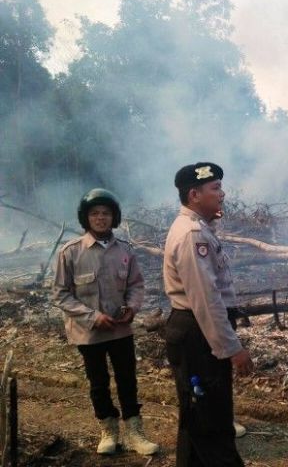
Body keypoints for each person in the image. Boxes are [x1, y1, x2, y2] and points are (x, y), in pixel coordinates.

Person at [52, 188, 159, 456]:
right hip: (89, 334)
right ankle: (108, 430)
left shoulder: (124, 251)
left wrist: (132, 308)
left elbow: (136, 285)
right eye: (95, 214)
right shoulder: (71, 252)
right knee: (98, 382)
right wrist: (92, 316)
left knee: (127, 380)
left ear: (114, 217)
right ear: (85, 218)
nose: (101, 218)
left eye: (106, 213)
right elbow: (61, 294)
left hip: (121, 331)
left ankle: (135, 432)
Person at [163, 162, 254, 467]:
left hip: (195, 331)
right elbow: (206, 300)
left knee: (196, 416)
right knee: (212, 422)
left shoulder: (198, 229)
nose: (222, 194)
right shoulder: (192, 235)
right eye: (215, 188)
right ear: (194, 194)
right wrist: (232, 348)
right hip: (198, 335)